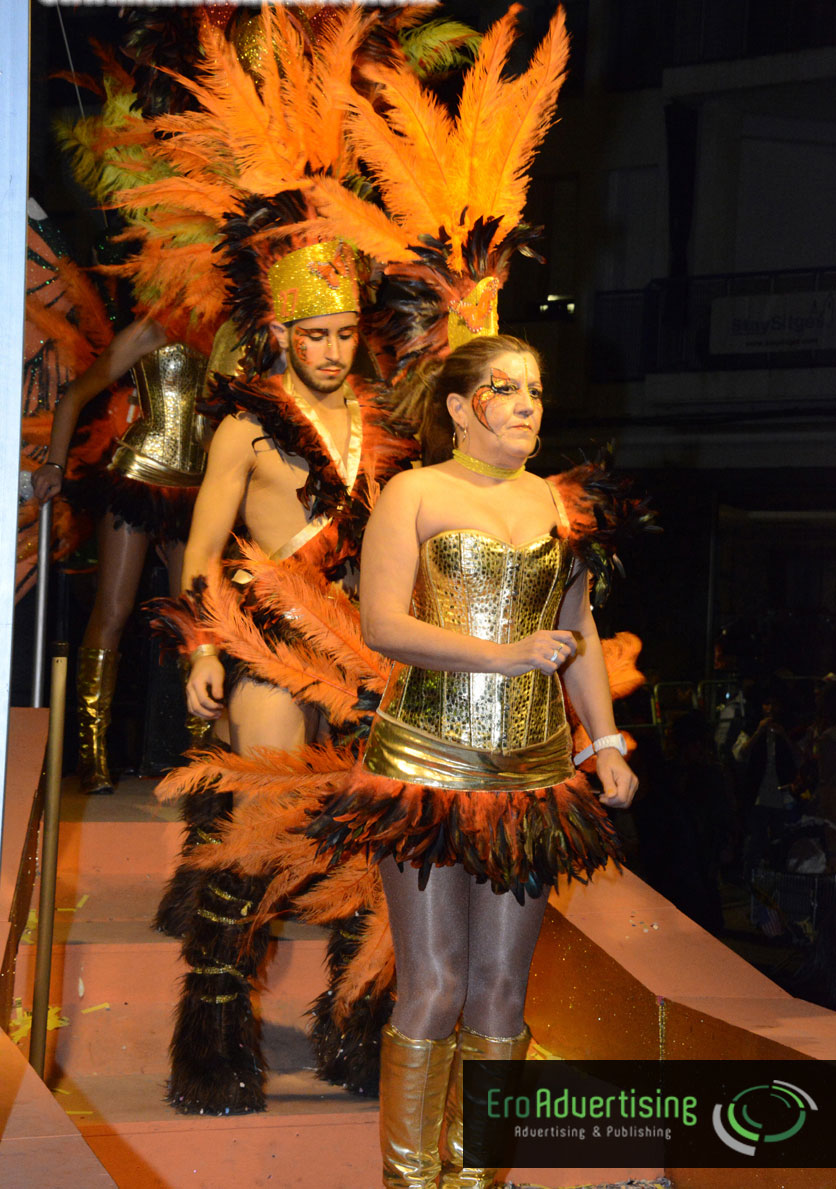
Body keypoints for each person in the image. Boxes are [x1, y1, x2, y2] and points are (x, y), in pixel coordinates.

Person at [310, 333, 638, 1189]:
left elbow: (578, 630)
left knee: (501, 990)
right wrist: (502, 655)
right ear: (459, 407)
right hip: (425, 767)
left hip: (532, 777)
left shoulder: (561, 505)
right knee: (435, 983)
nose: (527, 403)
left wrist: (603, 741)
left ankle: (478, 1179)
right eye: (505, 388)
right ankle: (411, 1181)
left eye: (535, 388)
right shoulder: (413, 492)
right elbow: (382, 624)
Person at [158, 238, 414, 1115]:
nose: (333, 351)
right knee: (258, 838)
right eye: (315, 335)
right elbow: (202, 548)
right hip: (268, 642)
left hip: (360, 652)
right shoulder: (245, 427)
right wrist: (201, 647)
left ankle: (356, 1030)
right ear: (279, 334)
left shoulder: (382, 424)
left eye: (344, 333)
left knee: (367, 845)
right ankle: (211, 1045)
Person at [32, 315, 209, 792]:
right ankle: (92, 753)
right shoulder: (149, 330)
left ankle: (202, 759)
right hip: (137, 477)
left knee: (195, 621)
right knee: (113, 609)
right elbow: (75, 395)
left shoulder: (231, 334)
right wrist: (54, 463)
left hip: (197, 488)